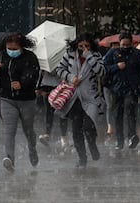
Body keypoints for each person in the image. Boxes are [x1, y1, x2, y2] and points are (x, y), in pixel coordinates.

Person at [55, 33, 105, 168]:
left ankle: (92, 145)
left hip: (91, 98)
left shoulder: (95, 55)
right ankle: (82, 158)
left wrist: (89, 56)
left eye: (86, 45)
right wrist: (70, 77)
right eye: (81, 45)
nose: (83, 48)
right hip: (73, 98)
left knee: (89, 126)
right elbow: (59, 69)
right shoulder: (70, 54)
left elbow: (101, 71)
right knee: (76, 130)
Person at [0, 33, 40, 171]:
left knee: (28, 129)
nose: (11, 51)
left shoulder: (30, 57)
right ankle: (10, 159)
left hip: (27, 100)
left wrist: (23, 84)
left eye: (15, 48)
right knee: (9, 131)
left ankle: (32, 149)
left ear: (21, 46)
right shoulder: (1, 55)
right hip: (7, 99)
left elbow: (34, 75)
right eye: (9, 48)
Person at [103, 32, 140, 150]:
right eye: (123, 44)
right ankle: (119, 141)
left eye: (128, 44)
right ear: (119, 43)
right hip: (116, 89)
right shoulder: (113, 53)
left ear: (132, 43)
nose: (125, 47)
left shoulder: (137, 54)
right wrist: (116, 67)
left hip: (132, 88)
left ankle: (131, 137)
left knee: (131, 112)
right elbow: (104, 68)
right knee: (118, 115)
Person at [36, 70, 70, 148]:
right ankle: (49, 134)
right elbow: (40, 72)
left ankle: (63, 137)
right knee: (50, 112)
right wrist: (38, 87)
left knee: (60, 112)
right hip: (48, 87)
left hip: (58, 87)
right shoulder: (44, 63)